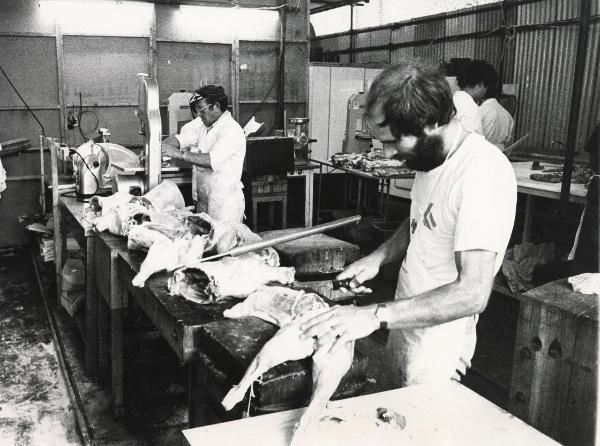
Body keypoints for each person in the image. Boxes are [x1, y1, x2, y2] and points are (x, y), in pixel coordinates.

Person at [299, 62, 517, 386]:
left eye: (392, 141)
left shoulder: (482, 172)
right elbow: (421, 218)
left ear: (429, 123)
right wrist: (378, 258)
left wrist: (372, 315)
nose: (387, 153)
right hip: (403, 317)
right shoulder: (431, 160)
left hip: (440, 340)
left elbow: (473, 293)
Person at [161, 85, 246, 223]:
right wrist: (157, 148)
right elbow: (180, 139)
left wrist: (178, 154)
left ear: (216, 106)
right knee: (205, 240)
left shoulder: (231, 130)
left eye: (202, 109)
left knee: (223, 241)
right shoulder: (204, 127)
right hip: (205, 199)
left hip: (225, 205)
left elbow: (211, 160)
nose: (199, 114)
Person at [462, 60, 515, 151]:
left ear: (481, 87)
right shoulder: (507, 115)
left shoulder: (477, 112)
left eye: (467, 87)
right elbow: (506, 145)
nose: (465, 91)